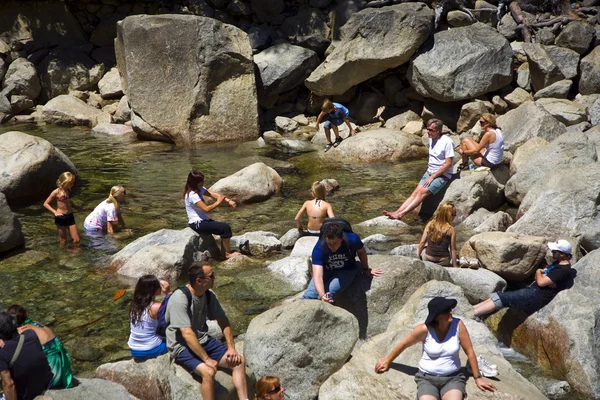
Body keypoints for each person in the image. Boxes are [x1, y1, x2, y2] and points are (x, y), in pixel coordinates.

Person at [375, 297, 496, 400]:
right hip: (427, 378)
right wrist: (387, 360)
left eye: (450, 309)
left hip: (452, 378)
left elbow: (469, 352)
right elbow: (404, 344)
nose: (451, 312)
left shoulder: (458, 325)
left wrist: (478, 378)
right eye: (446, 311)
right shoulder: (424, 329)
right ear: (437, 316)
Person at [165, 263, 248, 400]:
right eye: (211, 276)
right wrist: (207, 359)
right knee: (208, 372)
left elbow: (223, 321)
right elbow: (186, 333)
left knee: (238, 362)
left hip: (202, 340)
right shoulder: (179, 299)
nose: (215, 278)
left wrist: (231, 348)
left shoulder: (208, 295)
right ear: (199, 280)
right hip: (181, 345)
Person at [473, 240, 574, 317]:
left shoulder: (562, 270)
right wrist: (541, 275)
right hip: (532, 290)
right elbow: (540, 278)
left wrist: (539, 272)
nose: (552, 252)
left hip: (535, 297)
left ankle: (473, 314)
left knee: (502, 298)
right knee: (499, 295)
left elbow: (540, 282)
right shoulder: (557, 263)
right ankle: (471, 310)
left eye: (555, 251)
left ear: (562, 254)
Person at [383, 118, 454, 221]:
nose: (428, 132)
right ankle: (396, 212)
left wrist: (433, 176)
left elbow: (448, 164)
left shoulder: (447, 142)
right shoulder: (431, 139)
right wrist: (430, 174)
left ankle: (401, 214)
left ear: (438, 131)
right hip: (429, 172)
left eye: (431, 130)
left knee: (421, 193)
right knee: (415, 192)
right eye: (427, 129)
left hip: (442, 175)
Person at [301, 222, 383, 303]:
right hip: (326, 271)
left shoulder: (352, 239)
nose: (332, 247)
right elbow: (318, 276)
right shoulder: (319, 248)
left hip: (346, 270)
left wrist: (366, 269)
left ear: (341, 238)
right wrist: (322, 295)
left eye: (335, 243)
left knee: (328, 294)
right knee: (309, 295)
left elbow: (361, 251)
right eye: (329, 243)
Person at [4, 305, 73, 390]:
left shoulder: (25, 332)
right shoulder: (35, 324)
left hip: (52, 375)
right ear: (26, 314)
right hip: (61, 370)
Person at [183, 170, 241, 259]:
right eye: (202, 181)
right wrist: (218, 202)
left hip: (203, 221)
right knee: (225, 227)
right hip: (197, 223)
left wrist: (228, 200)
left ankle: (224, 253)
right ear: (196, 182)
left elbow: (213, 194)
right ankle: (226, 254)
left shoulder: (199, 189)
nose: (203, 182)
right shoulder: (192, 195)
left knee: (223, 228)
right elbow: (206, 209)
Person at [0, 310, 53, 400]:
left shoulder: (2, 352)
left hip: (25, 394)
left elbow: (9, 384)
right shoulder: (31, 334)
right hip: (46, 383)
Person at [128, 275, 171, 360]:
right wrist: (168, 293)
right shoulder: (156, 307)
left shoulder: (134, 304)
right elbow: (176, 307)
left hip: (134, 350)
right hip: (151, 349)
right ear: (153, 289)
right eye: (158, 285)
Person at [43, 172, 80, 248]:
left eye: (72, 183)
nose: (72, 185)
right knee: (63, 240)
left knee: (77, 240)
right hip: (61, 217)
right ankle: (64, 255)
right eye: (70, 183)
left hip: (70, 216)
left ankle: (75, 254)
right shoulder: (56, 192)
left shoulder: (68, 190)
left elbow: (68, 201)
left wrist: (75, 207)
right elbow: (46, 203)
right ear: (64, 182)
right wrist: (55, 212)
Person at [417, 203, 458, 268]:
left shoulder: (430, 224)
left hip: (428, 259)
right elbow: (453, 249)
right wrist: (455, 265)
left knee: (426, 245)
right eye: (454, 214)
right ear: (448, 215)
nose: (455, 216)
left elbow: (422, 242)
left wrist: (418, 256)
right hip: (443, 262)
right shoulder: (451, 229)